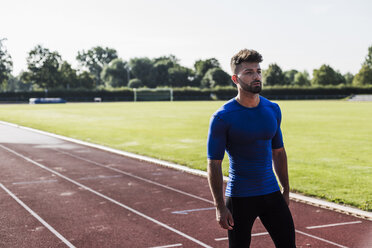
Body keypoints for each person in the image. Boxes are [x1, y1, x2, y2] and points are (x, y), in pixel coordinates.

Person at [207, 49, 296, 247]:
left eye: (258, 71)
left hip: (272, 193)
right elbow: (214, 164)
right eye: (248, 72)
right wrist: (220, 207)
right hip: (240, 197)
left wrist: (286, 189)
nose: (256, 76)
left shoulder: (272, 109)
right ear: (235, 79)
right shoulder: (222, 117)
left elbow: (279, 152)